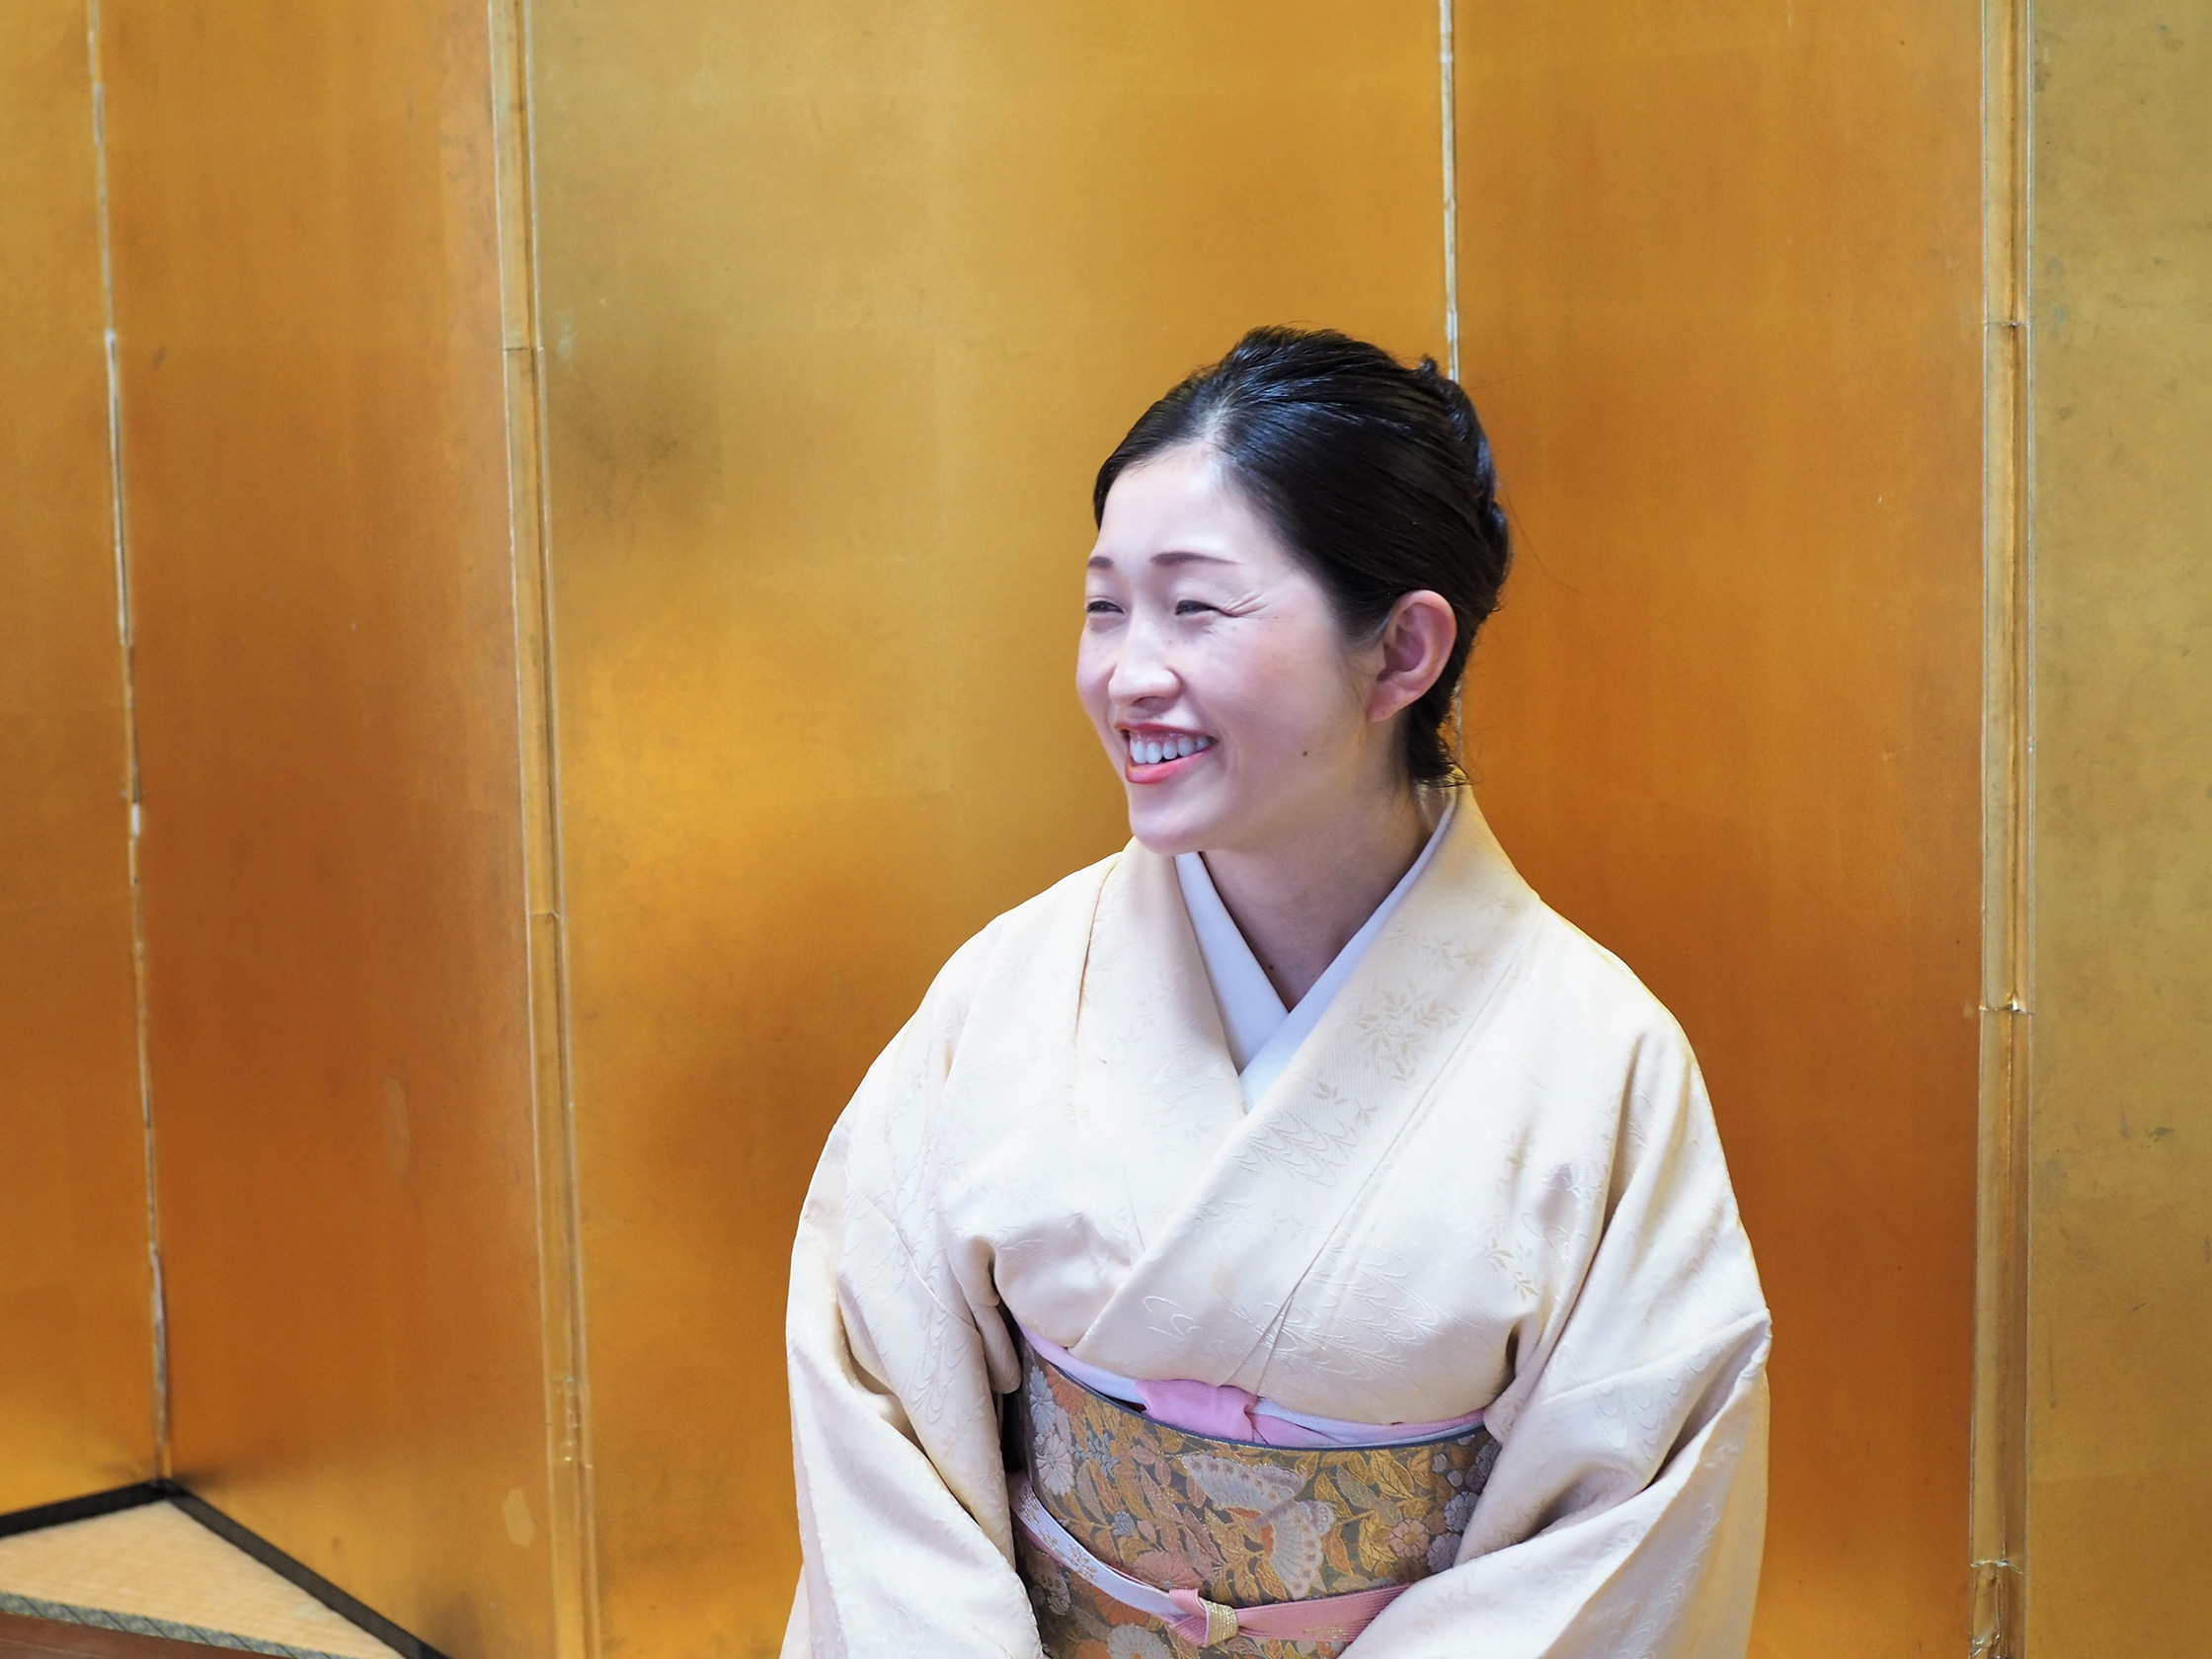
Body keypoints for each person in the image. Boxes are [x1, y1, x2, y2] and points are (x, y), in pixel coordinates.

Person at [783, 328, 1770, 1659]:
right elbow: (877, 1399)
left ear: (1403, 650)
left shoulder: (1599, 1058)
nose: (1129, 672)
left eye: (1195, 608)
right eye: (1105, 606)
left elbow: (1630, 1520)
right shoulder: (1009, 991)